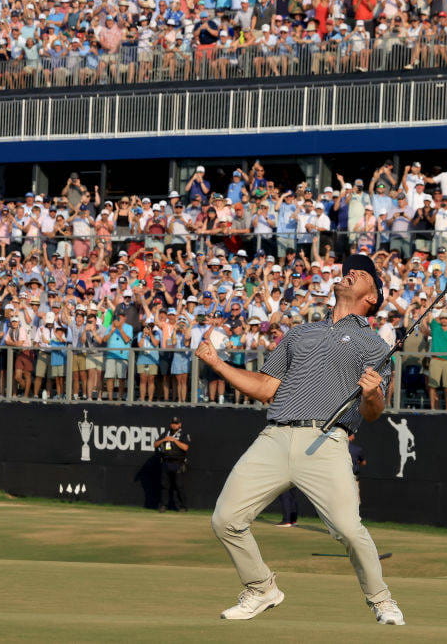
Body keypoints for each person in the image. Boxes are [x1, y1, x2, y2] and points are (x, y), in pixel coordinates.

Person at [196, 253, 404, 625]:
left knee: (348, 531)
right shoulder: (300, 332)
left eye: (362, 274)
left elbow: (373, 412)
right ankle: (261, 588)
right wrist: (217, 363)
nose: (351, 272)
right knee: (225, 519)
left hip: (326, 440)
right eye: (348, 270)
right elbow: (264, 388)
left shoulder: (374, 345)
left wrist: (373, 393)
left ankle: (382, 600)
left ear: (372, 298)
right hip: (274, 437)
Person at [154, 415, 190, 513]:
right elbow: (155, 444)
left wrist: (174, 440)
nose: (174, 425)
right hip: (166, 462)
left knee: (179, 486)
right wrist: (164, 440)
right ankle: (163, 506)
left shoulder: (183, 434)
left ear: (180, 424)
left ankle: (183, 506)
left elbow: (185, 447)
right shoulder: (166, 433)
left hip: (178, 463)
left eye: (176, 424)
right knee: (164, 486)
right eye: (173, 423)